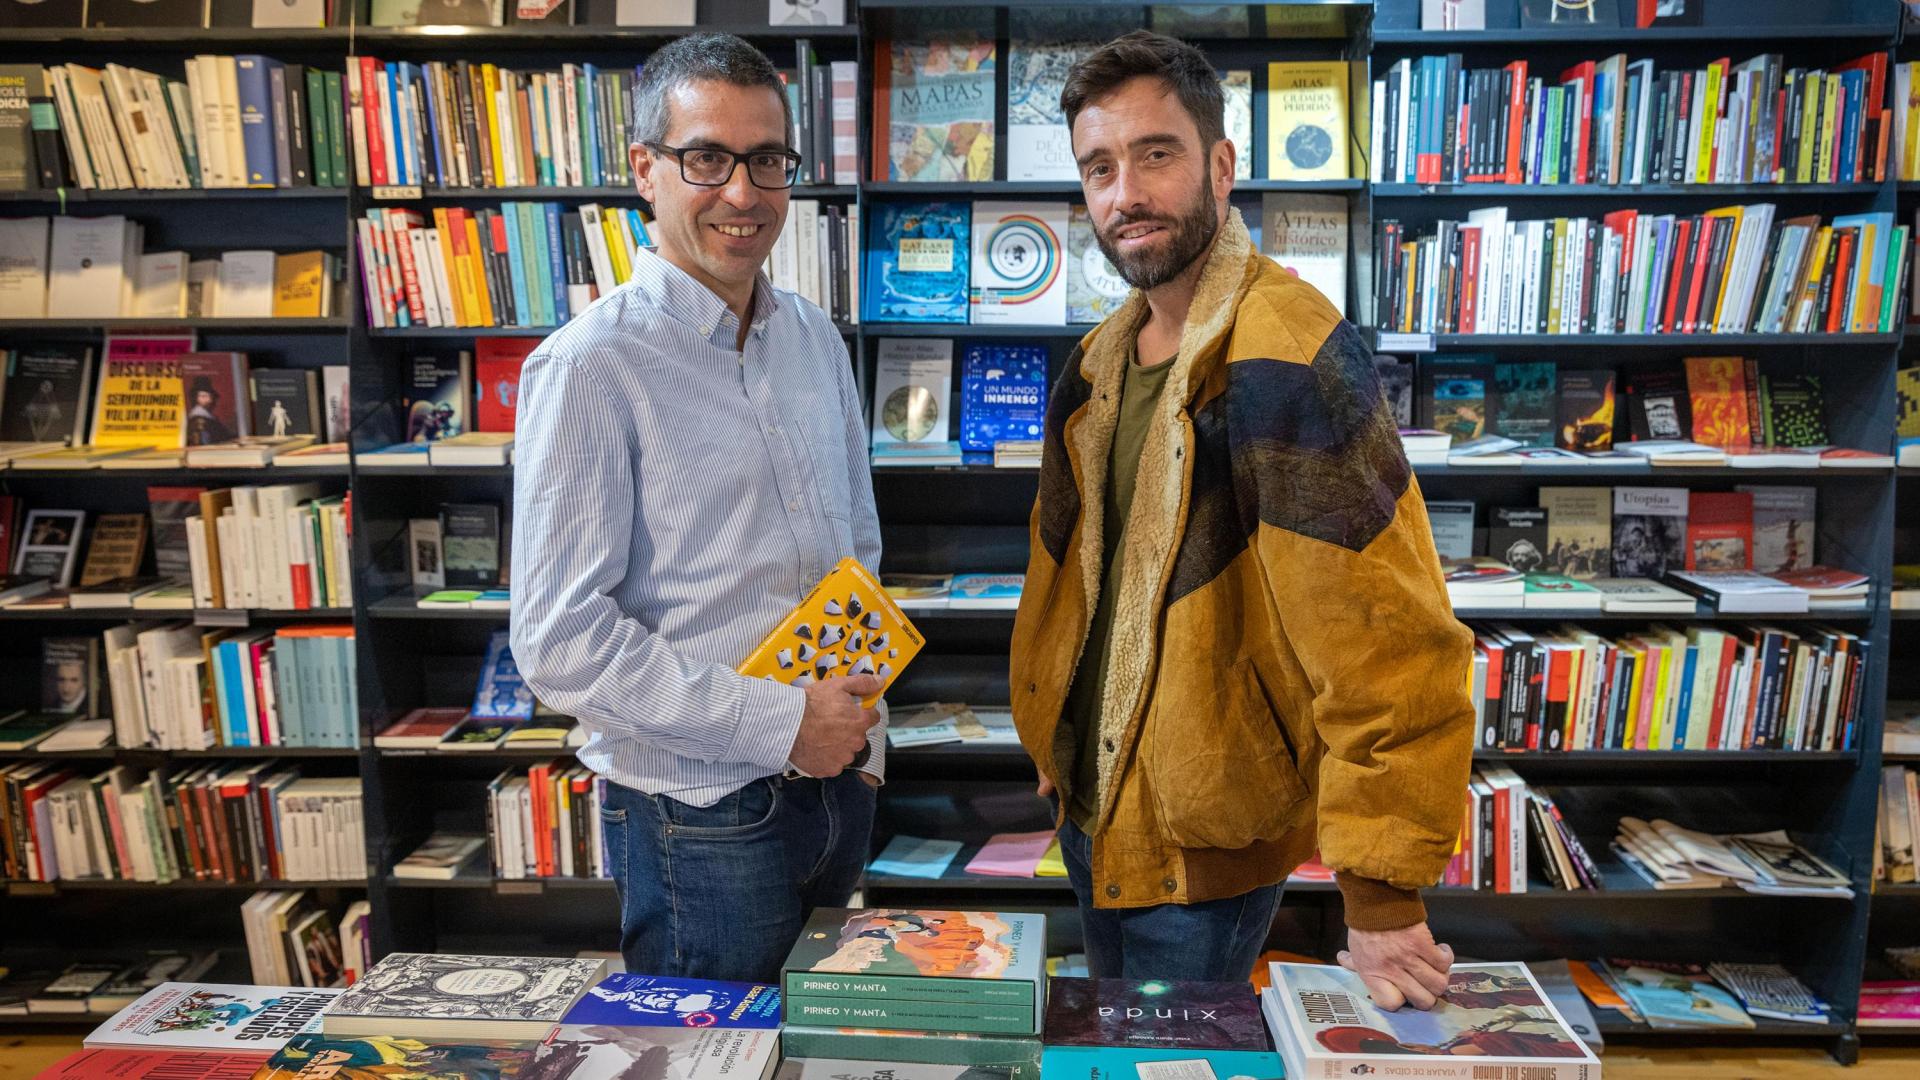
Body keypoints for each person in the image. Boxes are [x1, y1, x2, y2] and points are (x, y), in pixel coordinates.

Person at [1009, 31, 1475, 1007]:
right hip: (1095, 807)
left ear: (1222, 164)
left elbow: (1384, 636)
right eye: (1100, 167)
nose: (1125, 192)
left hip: (1205, 837)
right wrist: (1052, 736)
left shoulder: (1287, 348)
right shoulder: (1096, 362)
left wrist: (1383, 896)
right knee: (1123, 1064)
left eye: (1156, 154)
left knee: (1176, 1064)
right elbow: (1064, 583)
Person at [511, 33, 884, 983]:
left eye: (769, 160)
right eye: (707, 158)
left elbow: (857, 549)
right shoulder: (591, 365)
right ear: (646, 170)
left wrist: (855, 740)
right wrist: (779, 723)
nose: (744, 193)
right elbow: (558, 638)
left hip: (837, 786)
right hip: (699, 815)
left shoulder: (812, 337)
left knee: (815, 1053)